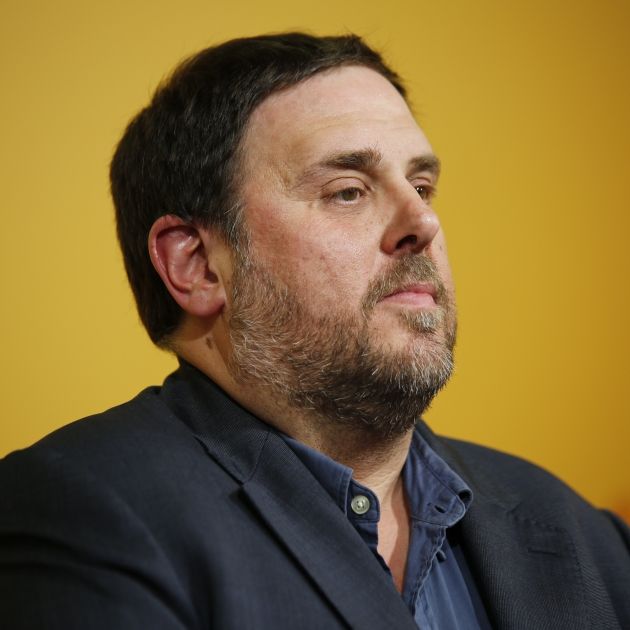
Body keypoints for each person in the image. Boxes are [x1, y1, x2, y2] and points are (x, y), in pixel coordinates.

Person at [0, 32, 628, 630]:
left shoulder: (584, 535)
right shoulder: (78, 511)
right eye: (348, 191)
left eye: (421, 185)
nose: (422, 222)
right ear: (198, 265)